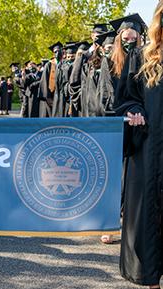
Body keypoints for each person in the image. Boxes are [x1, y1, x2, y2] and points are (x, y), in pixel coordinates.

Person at [112, 9, 163, 288]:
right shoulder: (142, 57)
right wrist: (134, 110)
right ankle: (151, 279)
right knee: (147, 215)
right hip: (149, 148)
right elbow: (126, 97)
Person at [39, 42, 63, 118]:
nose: (58, 53)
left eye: (60, 50)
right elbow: (44, 82)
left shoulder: (64, 64)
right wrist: (47, 98)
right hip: (50, 96)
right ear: (53, 54)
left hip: (61, 96)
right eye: (55, 51)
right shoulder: (49, 65)